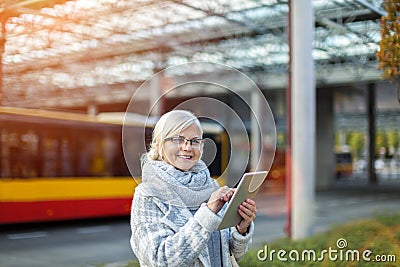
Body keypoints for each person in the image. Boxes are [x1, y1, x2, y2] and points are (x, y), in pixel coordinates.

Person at [130, 110, 257, 267]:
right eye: (178, 139)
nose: (187, 147)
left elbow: (232, 255)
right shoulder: (148, 195)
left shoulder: (212, 187)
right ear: (160, 144)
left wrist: (241, 229)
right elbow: (160, 259)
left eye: (195, 141)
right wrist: (207, 214)